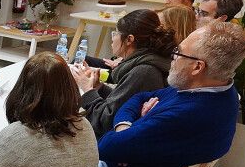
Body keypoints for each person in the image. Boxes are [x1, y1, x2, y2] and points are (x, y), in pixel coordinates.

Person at [97, 21, 245, 167]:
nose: (173, 57)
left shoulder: (189, 113)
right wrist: (127, 129)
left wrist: (127, 134)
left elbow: (105, 147)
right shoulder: (217, 90)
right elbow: (140, 97)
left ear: (197, 67)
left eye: (179, 51)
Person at [71, 9, 175, 138]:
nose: (113, 39)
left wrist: (87, 90)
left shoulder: (144, 72)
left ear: (129, 39)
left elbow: (105, 122)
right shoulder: (147, 63)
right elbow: (124, 102)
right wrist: (99, 88)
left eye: (115, 33)